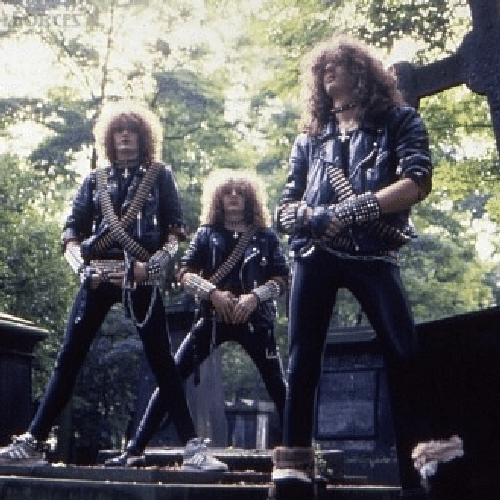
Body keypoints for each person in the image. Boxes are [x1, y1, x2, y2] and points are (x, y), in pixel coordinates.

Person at [0, 101, 214, 469]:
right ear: (109, 138)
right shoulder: (94, 180)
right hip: (97, 277)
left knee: (163, 362)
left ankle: (194, 449)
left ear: (144, 137)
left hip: (140, 277)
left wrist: (151, 268)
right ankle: (33, 441)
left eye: (132, 131)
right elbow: (70, 234)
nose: (125, 137)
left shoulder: (160, 176)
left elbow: (175, 233)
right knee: (69, 358)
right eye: (118, 132)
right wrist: (82, 270)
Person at [272, 36, 433, 499]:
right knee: (302, 360)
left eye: (338, 66)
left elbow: (417, 182)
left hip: (374, 251)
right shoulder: (310, 138)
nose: (328, 74)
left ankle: (421, 471)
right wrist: (304, 216)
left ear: (361, 72)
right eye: (322, 68)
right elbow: (286, 205)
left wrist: (350, 210)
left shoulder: (399, 120)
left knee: (404, 353)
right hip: (315, 251)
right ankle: (293, 472)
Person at [105, 169, 288, 468]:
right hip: (211, 320)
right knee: (171, 379)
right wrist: (212, 292)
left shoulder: (266, 237)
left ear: (250, 199)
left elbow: (283, 278)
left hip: (256, 321)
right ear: (218, 198)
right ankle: (135, 449)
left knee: (278, 387)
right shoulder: (205, 234)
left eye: (240, 192)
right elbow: (184, 272)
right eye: (227, 192)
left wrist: (254, 297)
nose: (233, 197)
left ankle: (301, 451)